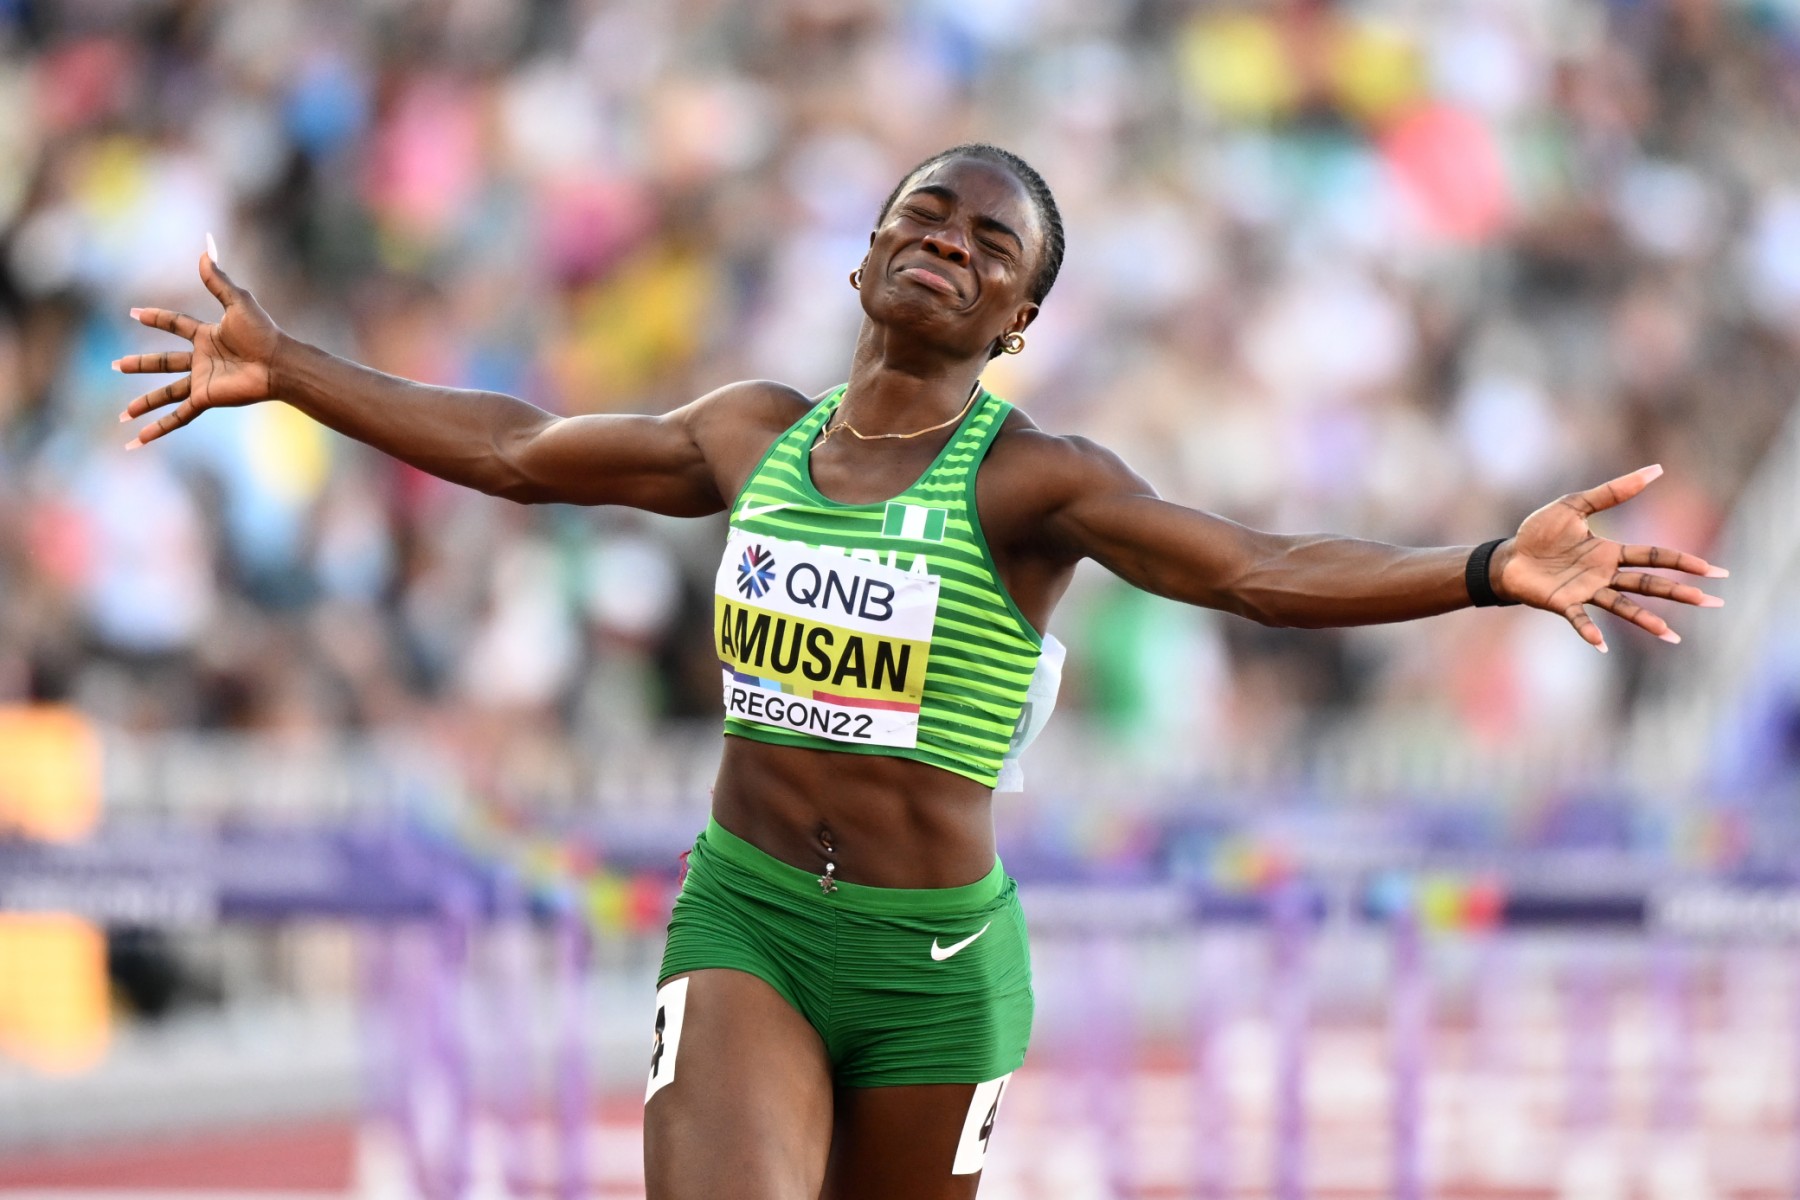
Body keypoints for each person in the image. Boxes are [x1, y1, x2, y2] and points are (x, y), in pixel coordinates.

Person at [117, 144, 1725, 1200]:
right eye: (923, 215)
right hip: (746, 912)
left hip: (936, 964)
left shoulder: (1035, 482)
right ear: (863, 259)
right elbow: (525, 448)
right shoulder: (753, 435)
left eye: (990, 240)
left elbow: (1250, 568)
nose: (947, 243)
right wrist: (293, 372)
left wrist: (1477, 570)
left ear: (1019, 314)